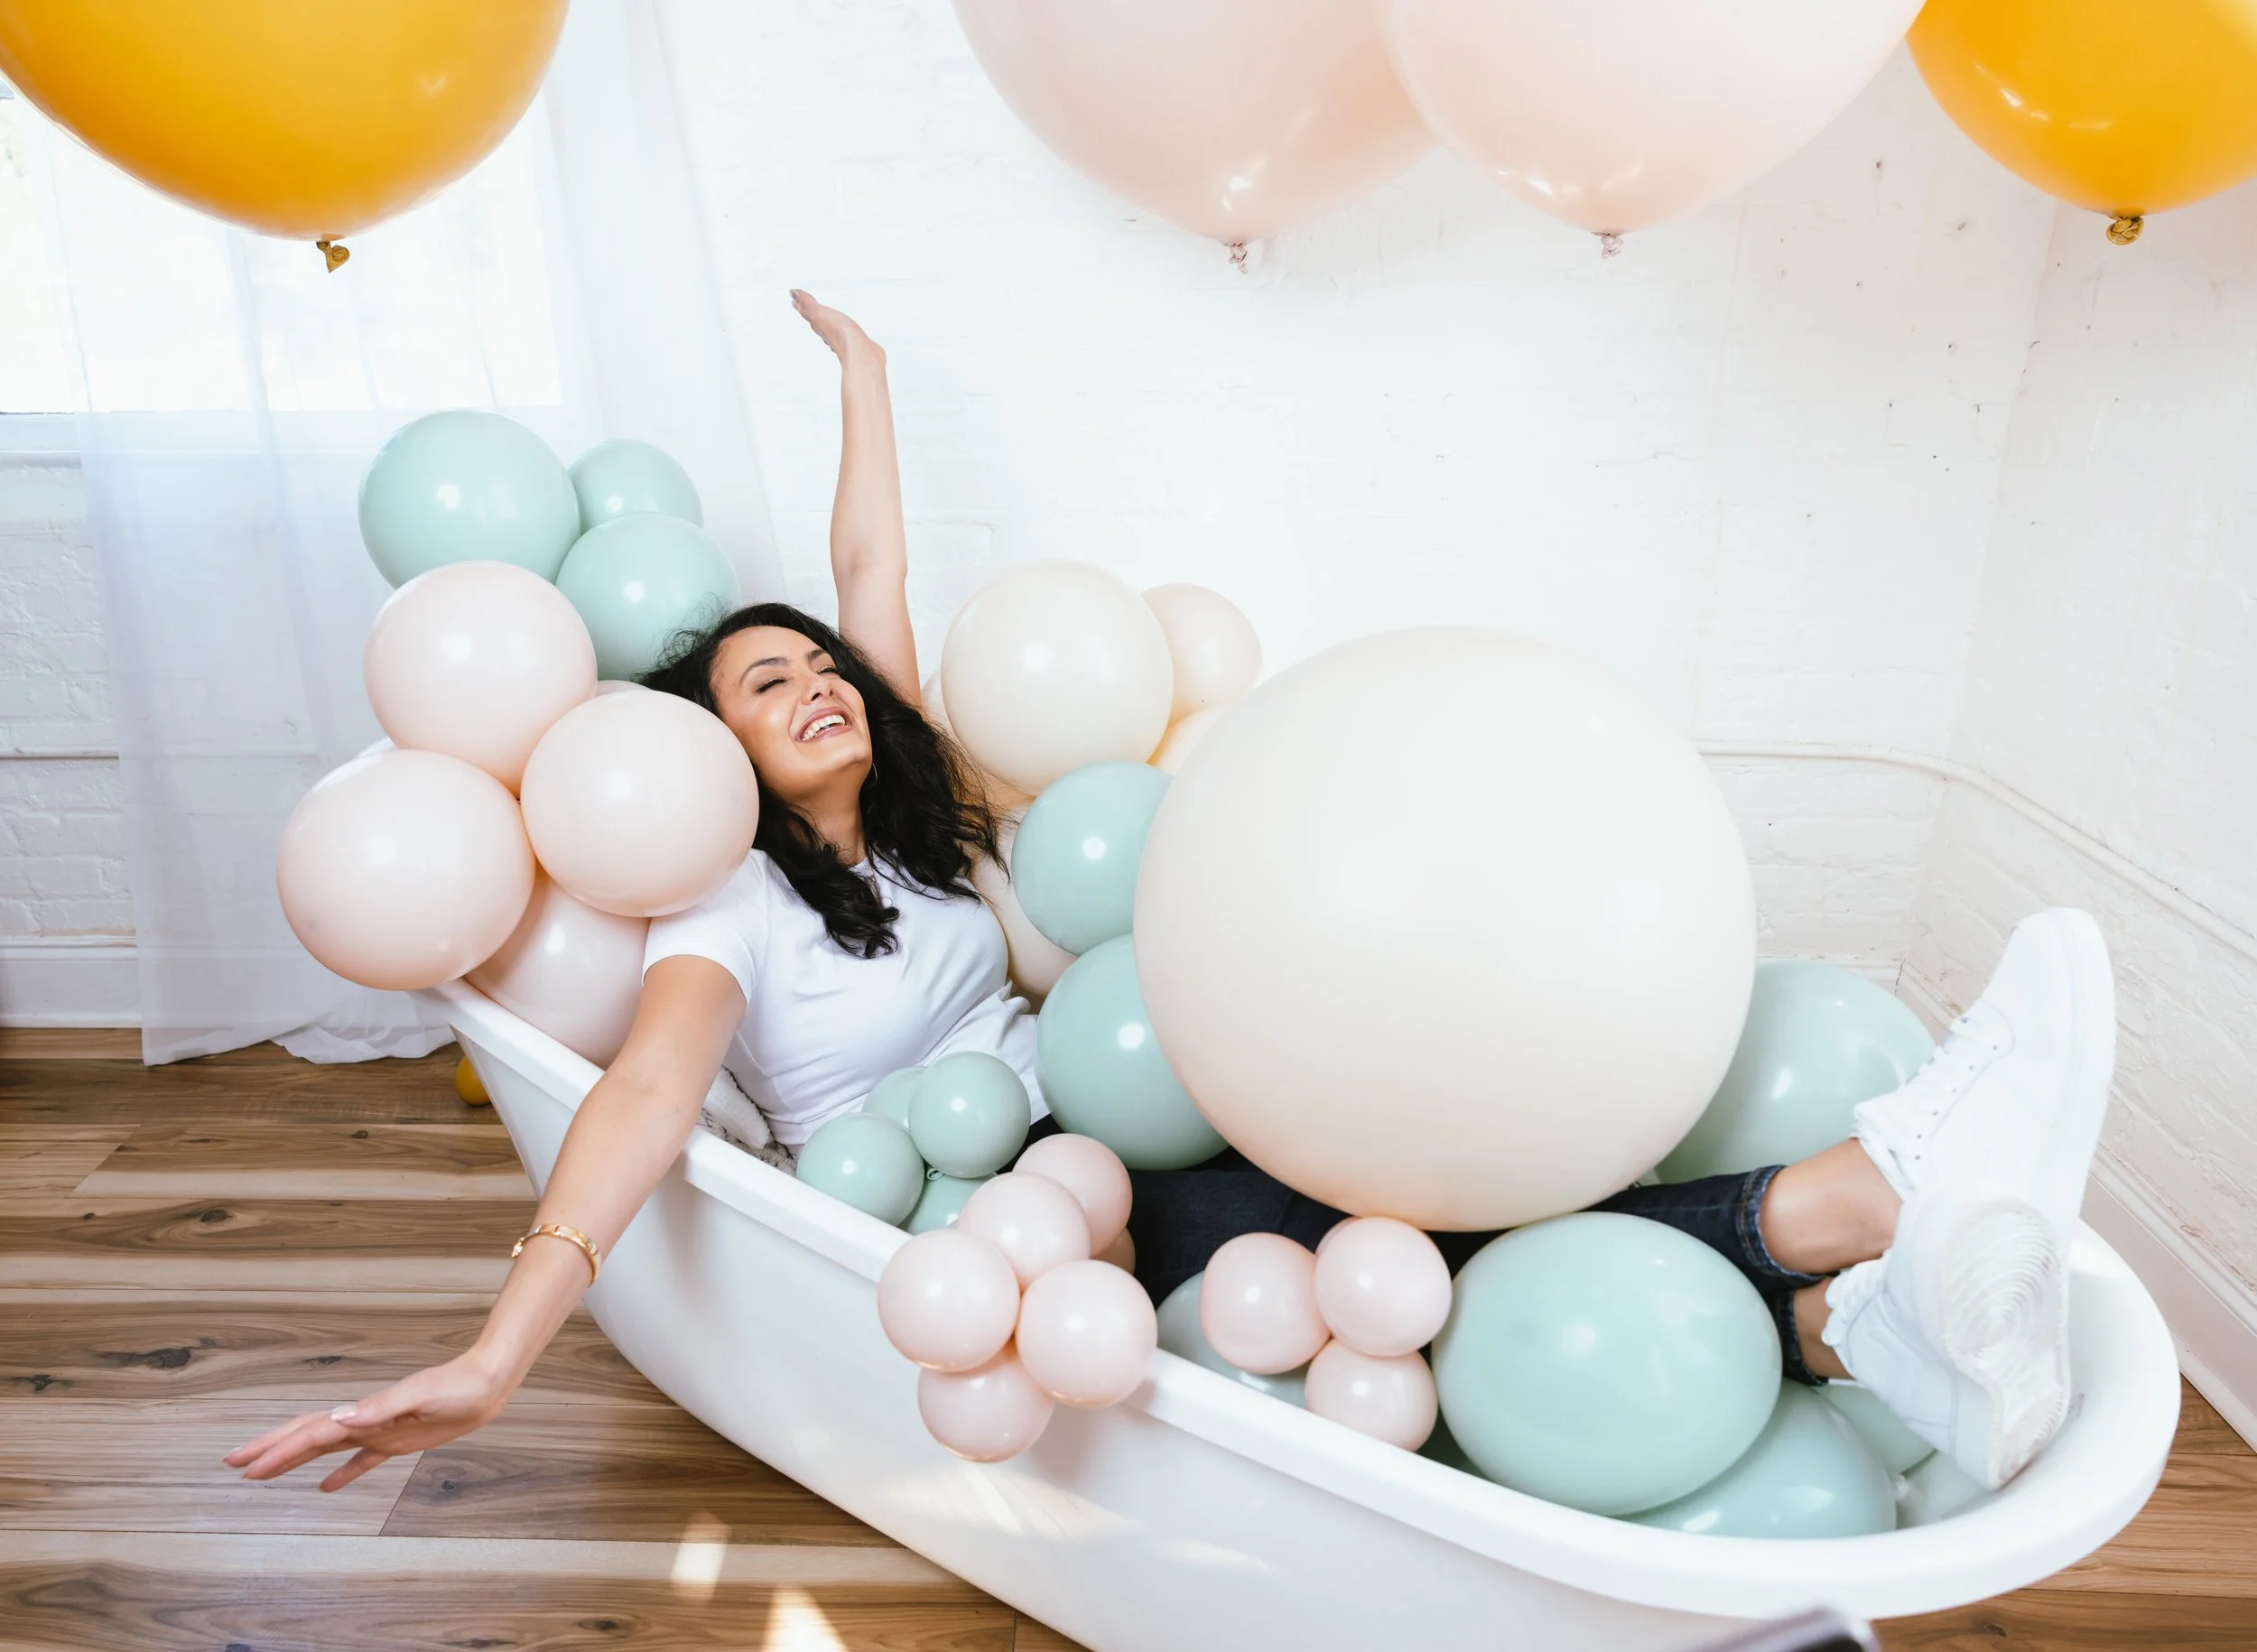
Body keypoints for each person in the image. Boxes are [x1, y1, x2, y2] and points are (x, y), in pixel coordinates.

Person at [227, 295, 2115, 1502]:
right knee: (1395, 1197)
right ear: (700, 752)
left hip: (1125, 1091)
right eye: (755, 683)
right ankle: (1853, 1195)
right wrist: (497, 1346)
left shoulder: (926, 824)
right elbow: (644, 1098)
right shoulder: (717, 912)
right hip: (1019, 1212)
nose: (809, 681)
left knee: (1423, 1107)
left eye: (816, 664)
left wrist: (868, 377)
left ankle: (1844, 1323)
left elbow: (869, 576)